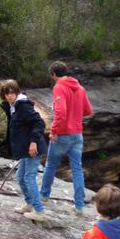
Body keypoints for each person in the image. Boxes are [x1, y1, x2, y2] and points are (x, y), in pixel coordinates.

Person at [40, 61, 93, 215]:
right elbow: (88, 110)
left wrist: (54, 130)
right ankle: (79, 207)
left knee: (50, 165)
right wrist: (74, 117)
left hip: (62, 134)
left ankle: (44, 196)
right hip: (77, 135)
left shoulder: (59, 87)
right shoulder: (80, 88)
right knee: (77, 169)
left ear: (53, 75)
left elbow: (61, 112)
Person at [0, 79, 47, 223]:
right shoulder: (12, 107)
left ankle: (39, 211)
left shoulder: (23, 106)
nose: (10, 96)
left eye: (12, 93)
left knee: (29, 177)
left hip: (33, 148)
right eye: (7, 93)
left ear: (17, 92)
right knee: (20, 177)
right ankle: (30, 203)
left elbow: (39, 123)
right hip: (25, 149)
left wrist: (33, 142)